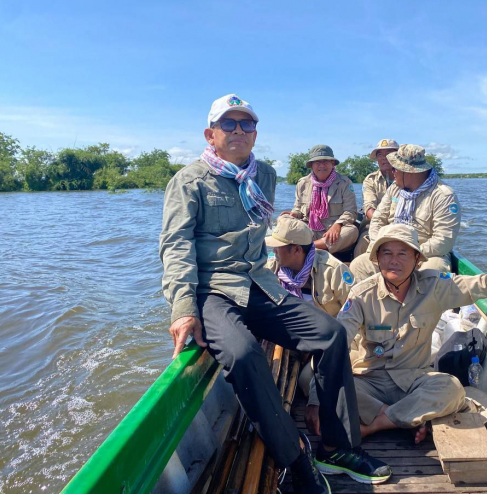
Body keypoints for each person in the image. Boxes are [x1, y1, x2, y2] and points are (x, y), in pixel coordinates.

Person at [160, 94, 391, 493]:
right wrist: (183, 308)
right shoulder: (188, 181)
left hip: (258, 282)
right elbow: (176, 247)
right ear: (210, 134)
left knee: (331, 334)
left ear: (255, 133)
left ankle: (336, 446)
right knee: (244, 354)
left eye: (246, 124)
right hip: (213, 290)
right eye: (228, 123)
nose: (238, 130)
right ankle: (295, 459)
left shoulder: (264, 174)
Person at [307, 224, 487, 444]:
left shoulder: (436, 286)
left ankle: (375, 425)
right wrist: (316, 400)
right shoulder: (362, 294)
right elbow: (337, 344)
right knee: (329, 386)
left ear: (417, 259)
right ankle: (406, 418)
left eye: (402, 253)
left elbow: (486, 283)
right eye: (387, 253)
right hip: (369, 380)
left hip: (413, 380)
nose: (394, 260)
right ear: (377, 259)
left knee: (451, 388)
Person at [265, 215, 355, 397]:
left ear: (297, 250)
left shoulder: (333, 270)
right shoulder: (275, 266)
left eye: (278, 247)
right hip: (292, 336)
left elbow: (354, 314)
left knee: (307, 382)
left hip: (326, 340)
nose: (274, 251)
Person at [350, 144, 460, 282]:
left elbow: (443, 240)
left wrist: (410, 253)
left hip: (425, 254)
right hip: (389, 247)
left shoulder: (443, 195)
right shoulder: (395, 188)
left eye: (394, 169)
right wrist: (380, 247)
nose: (392, 172)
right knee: (359, 266)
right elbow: (378, 219)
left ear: (409, 172)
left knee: (432, 272)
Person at [288, 145, 359, 254]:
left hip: (333, 232)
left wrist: (337, 225)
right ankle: (311, 246)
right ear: (311, 165)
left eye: (325, 161)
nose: (321, 165)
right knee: (283, 220)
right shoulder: (303, 183)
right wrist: (293, 214)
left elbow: (351, 212)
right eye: (317, 162)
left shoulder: (344, 183)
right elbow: (298, 208)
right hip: (309, 229)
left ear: (332, 163)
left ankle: (308, 247)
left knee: (352, 231)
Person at [353, 139, 399, 258]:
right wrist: (384, 227)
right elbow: (369, 207)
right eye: (380, 155)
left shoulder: (408, 177)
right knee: (363, 245)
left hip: (401, 224)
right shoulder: (370, 180)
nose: (384, 158)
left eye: (389, 153)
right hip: (374, 224)